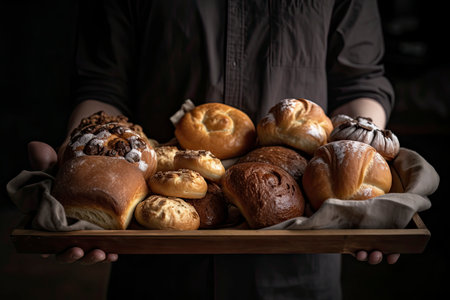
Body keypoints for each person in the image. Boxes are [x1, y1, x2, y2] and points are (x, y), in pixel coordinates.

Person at [28, 0, 401, 299]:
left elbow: (359, 83)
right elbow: (102, 83)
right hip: (155, 257)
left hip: (297, 263)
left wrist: (361, 183)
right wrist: (86, 170)